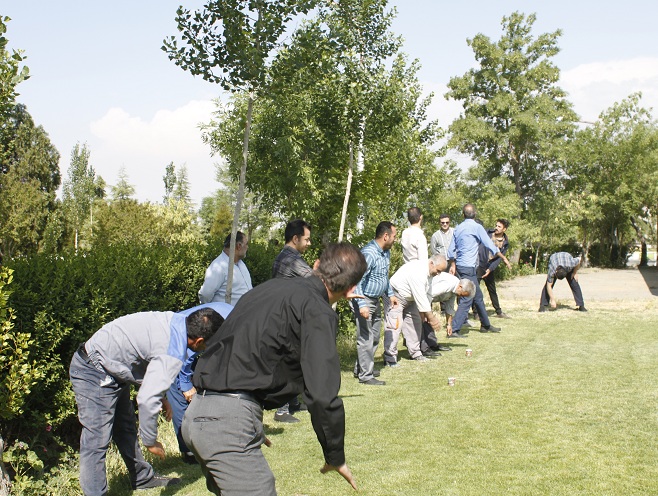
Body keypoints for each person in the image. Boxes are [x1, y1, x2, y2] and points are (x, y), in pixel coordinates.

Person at [183, 243, 367, 495]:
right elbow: (322, 395)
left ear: (316, 265)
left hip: (197, 413)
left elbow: (233, 349)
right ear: (351, 289)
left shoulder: (266, 289)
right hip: (226, 423)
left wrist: (247, 422)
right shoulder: (316, 309)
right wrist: (335, 456)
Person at [69, 307, 224, 495]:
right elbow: (146, 399)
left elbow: (148, 357)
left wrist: (161, 396)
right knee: (96, 440)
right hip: (93, 370)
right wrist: (151, 441)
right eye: (207, 346)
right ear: (199, 341)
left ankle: (142, 478)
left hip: (111, 368)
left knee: (125, 428)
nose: (206, 350)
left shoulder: (176, 321)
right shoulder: (173, 352)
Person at [166, 302, 234, 464]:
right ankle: (189, 451)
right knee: (178, 393)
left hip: (193, 343)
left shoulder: (237, 321)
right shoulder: (228, 325)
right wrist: (186, 385)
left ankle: (211, 441)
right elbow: (190, 349)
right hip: (174, 346)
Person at [447, 204, 512, 338]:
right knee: (467, 297)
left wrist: (453, 265)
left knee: (478, 296)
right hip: (468, 268)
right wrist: (503, 257)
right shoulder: (477, 227)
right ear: (475, 214)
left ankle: (485, 325)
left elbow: (450, 250)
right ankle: (454, 329)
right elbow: (490, 244)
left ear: (463, 214)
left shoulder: (458, 228)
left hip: (460, 266)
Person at [271, 219, 313, 422]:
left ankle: (293, 401)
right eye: (307, 239)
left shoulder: (286, 256)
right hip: (286, 317)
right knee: (287, 361)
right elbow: (313, 280)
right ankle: (282, 410)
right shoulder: (291, 259)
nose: (309, 243)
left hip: (286, 315)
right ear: (295, 239)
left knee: (295, 359)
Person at [352, 221, 398, 386]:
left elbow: (384, 276)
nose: (395, 239)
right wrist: (361, 304)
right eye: (394, 236)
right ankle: (366, 376)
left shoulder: (385, 252)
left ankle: (361, 368)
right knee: (366, 337)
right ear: (386, 236)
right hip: (364, 299)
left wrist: (390, 294)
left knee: (375, 336)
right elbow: (357, 280)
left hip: (376, 300)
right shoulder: (369, 253)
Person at [383, 254, 445, 365]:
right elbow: (420, 296)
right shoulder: (418, 272)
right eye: (438, 270)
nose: (438, 273)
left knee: (415, 323)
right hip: (395, 295)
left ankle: (416, 353)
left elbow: (427, 294)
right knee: (394, 325)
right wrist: (432, 318)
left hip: (410, 299)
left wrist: (425, 313)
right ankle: (389, 358)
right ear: (431, 263)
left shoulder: (430, 272)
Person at [421, 274, 476, 353]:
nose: (460, 297)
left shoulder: (455, 290)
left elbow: (449, 308)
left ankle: (432, 345)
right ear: (460, 287)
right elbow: (428, 294)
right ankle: (423, 348)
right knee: (422, 321)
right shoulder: (449, 284)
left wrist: (449, 325)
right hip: (421, 299)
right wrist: (429, 315)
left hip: (426, 299)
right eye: (461, 295)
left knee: (428, 321)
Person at [198, 231, 252, 306]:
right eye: (246, 244)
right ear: (239, 246)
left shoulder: (241, 264)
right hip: (229, 313)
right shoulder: (218, 267)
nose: (247, 247)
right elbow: (205, 294)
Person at [474, 219, 511, 319]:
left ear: (504, 229)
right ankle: (476, 313)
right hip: (480, 264)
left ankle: (499, 312)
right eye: (496, 225)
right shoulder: (487, 233)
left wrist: (490, 269)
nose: (496, 228)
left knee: (492, 290)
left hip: (490, 267)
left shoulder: (505, 243)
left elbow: (499, 258)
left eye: (499, 226)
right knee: (476, 289)